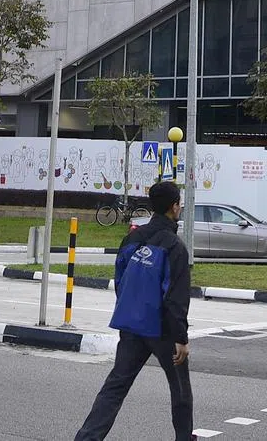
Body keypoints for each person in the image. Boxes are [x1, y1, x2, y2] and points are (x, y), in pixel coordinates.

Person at [74, 179, 193, 441]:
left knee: (115, 386)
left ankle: (87, 438)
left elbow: (120, 281)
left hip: (131, 326)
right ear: (174, 207)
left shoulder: (132, 238)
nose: (180, 207)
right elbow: (175, 299)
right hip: (161, 330)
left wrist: (132, 310)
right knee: (180, 388)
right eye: (179, 203)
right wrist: (180, 338)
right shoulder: (175, 247)